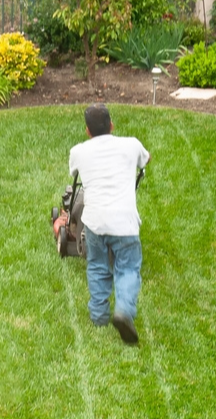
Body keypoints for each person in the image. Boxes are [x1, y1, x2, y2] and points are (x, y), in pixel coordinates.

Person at [68, 103, 151, 345]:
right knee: (127, 268)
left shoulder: (79, 151)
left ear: (87, 131)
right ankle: (123, 310)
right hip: (124, 223)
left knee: (97, 266)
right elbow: (146, 160)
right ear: (112, 125)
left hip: (94, 221)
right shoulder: (131, 144)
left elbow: (74, 172)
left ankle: (98, 315)